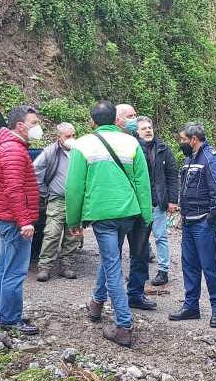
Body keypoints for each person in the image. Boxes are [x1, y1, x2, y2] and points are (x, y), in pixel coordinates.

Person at [66, 101, 154, 347]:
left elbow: (74, 188)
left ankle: (124, 324)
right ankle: (96, 304)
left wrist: (73, 219)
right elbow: (142, 184)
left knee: (113, 265)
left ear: (92, 121)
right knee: (110, 257)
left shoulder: (82, 145)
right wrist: (145, 217)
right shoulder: (131, 142)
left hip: (102, 215)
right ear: (115, 119)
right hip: (128, 213)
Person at [0, 105, 43, 335]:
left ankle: (4, 315)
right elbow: (14, 189)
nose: (38, 128)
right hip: (14, 220)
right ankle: (11, 319)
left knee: (4, 268)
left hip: (6, 217)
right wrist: (25, 221)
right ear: (20, 126)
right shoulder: (13, 150)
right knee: (14, 271)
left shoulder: (7, 146)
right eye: (34, 123)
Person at [169, 123, 216, 327]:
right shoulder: (189, 159)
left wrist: (210, 220)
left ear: (193, 139)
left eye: (183, 140)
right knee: (189, 266)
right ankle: (191, 307)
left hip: (203, 223)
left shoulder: (212, 159)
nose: (181, 143)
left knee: (209, 267)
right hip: (188, 222)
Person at [112, 103, 157, 311]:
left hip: (140, 206)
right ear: (118, 119)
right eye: (130, 116)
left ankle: (135, 294)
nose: (134, 119)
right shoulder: (111, 143)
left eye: (135, 115)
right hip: (120, 207)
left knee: (139, 253)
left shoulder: (143, 144)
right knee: (113, 253)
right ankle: (111, 296)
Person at [34, 122, 81, 282]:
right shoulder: (50, 152)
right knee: (52, 233)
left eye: (73, 135)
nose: (71, 139)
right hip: (57, 199)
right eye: (68, 136)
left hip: (76, 201)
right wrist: (45, 192)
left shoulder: (80, 152)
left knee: (73, 234)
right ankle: (44, 267)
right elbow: (36, 170)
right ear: (59, 137)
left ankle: (66, 266)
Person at [136, 116, 179, 286]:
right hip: (139, 204)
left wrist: (173, 200)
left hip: (158, 202)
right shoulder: (132, 149)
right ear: (137, 132)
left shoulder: (163, 149)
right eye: (144, 128)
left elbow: (172, 175)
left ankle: (163, 271)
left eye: (149, 127)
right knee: (139, 239)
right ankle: (138, 272)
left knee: (160, 237)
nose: (148, 130)